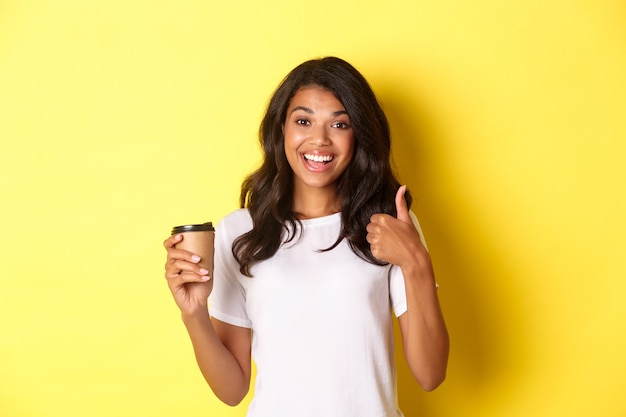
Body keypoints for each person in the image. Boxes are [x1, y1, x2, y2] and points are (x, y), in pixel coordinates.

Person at [163, 56, 449, 417]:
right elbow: (233, 389)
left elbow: (430, 374)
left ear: (358, 133)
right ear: (280, 128)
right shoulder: (241, 232)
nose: (319, 139)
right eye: (303, 120)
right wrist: (194, 315)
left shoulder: (390, 225)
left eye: (339, 124)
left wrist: (416, 263)